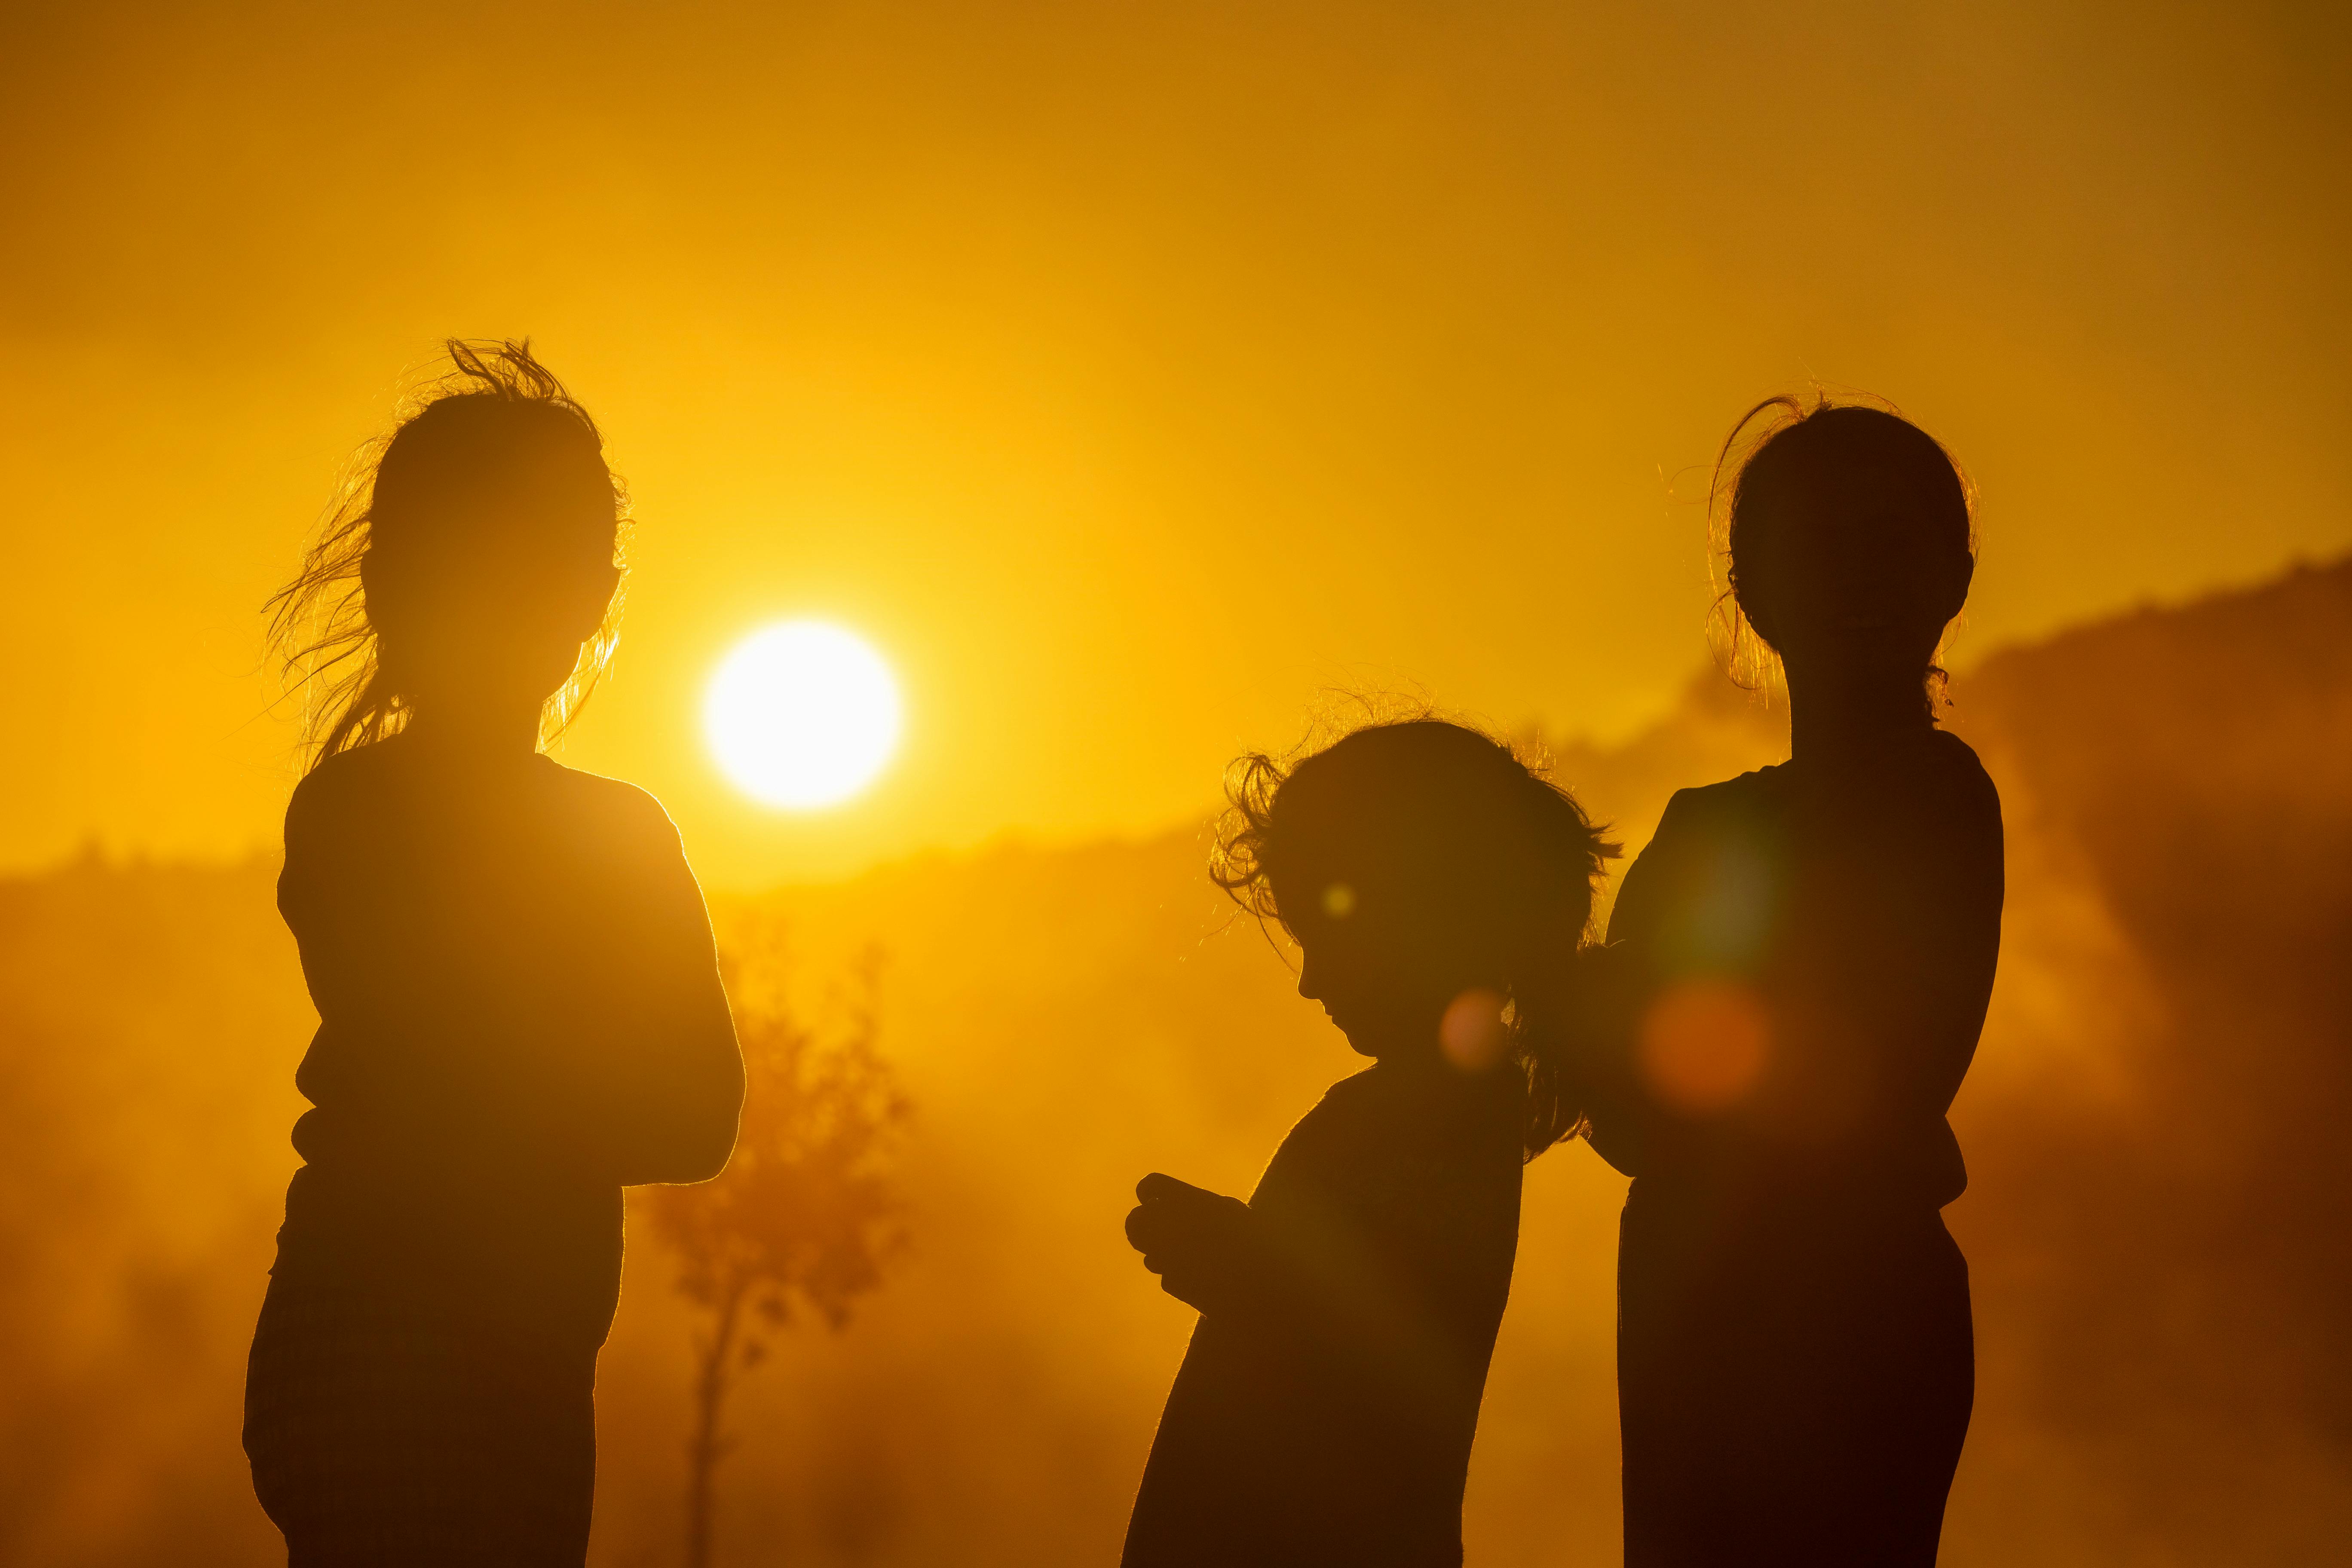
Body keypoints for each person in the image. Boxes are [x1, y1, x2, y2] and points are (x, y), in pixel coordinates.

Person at [244, 340, 745, 1566]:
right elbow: (663, 1106)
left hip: (484, 1357)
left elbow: (689, 1113)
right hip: (406, 1349)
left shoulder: (566, 832)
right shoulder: (370, 818)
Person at [1572, 398, 2003, 1566]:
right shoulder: (1704, 829)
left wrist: (1613, 1024)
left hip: (1855, 1310)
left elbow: (1875, 1069)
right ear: (1753, 590)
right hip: (1693, 1317)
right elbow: (1622, 1107)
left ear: (1954, 575)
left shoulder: (1938, 799)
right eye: (1820, 543)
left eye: (1888, 539)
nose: (1858, 574)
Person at [1121, 719, 1615, 1568]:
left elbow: (1395, 1367)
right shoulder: (1460, 1107)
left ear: (1432, 911)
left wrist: (1253, 1277)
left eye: (1326, 934)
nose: (1311, 983)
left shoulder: (1426, 1116)